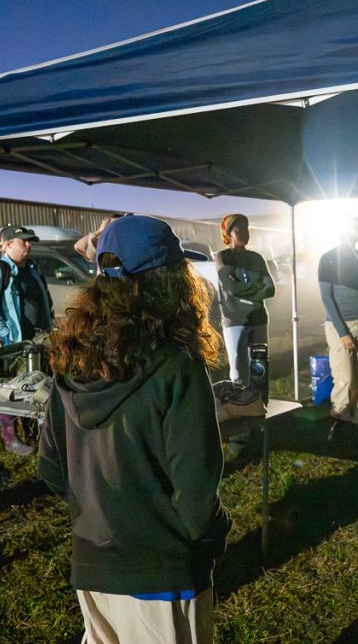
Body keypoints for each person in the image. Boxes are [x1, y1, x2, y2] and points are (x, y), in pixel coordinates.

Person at [40, 215, 231, 644]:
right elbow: (196, 490)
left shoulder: (72, 359)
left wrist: (97, 512)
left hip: (91, 566)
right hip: (162, 569)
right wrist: (213, 531)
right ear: (169, 280)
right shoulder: (177, 365)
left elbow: (52, 468)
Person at [0, 223, 54, 454]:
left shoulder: (32, 267)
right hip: (12, 341)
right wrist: (3, 334)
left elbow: (44, 298)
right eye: (24, 241)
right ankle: (10, 437)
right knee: (9, 388)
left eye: (31, 241)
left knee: (37, 384)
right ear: (8, 244)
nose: (29, 245)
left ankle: (37, 433)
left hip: (38, 338)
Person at [318, 214, 358, 443]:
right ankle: (339, 420)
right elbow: (326, 297)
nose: (354, 233)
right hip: (337, 325)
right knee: (344, 376)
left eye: (357, 228)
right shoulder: (328, 259)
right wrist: (342, 333)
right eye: (350, 228)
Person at [214, 214, 276, 383]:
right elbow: (232, 288)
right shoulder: (223, 257)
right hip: (235, 320)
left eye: (246, 228)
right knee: (239, 370)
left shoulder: (256, 258)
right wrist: (257, 287)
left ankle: (261, 403)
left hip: (258, 318)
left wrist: (244, 287)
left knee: (260, 366)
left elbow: (270, 288)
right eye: (237, 229)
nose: (243, 232)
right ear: (228, 234)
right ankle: (241, 407)